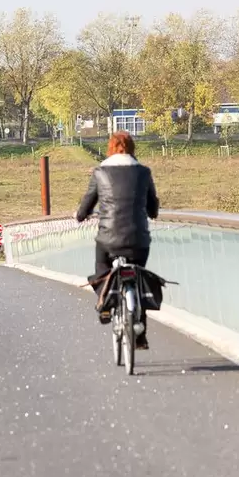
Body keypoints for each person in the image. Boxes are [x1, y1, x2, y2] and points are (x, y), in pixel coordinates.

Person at [75, 131, 159, 350]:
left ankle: (104, 302)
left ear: (110, 149)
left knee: (101, 267)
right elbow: (153, 208)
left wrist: (80, 216)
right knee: (138, 278)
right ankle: (140, 336)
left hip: (108, 239)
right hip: (139, 241)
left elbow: (87, 203)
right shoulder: (143, 172)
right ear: (132, 149)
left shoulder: (100, 172)